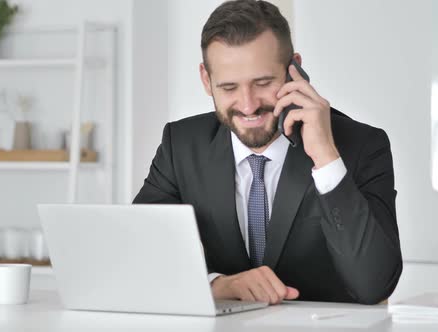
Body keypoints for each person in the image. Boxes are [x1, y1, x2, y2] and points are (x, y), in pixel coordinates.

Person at [133, 0, 402, 305]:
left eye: (262, 83)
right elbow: (139, 253)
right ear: (207, 80)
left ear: (294, 70)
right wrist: (217, 285)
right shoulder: (181, 145)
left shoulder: (362, 146)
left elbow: (375, 285)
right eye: (229, 87)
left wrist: (326, 159)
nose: (248, 105)